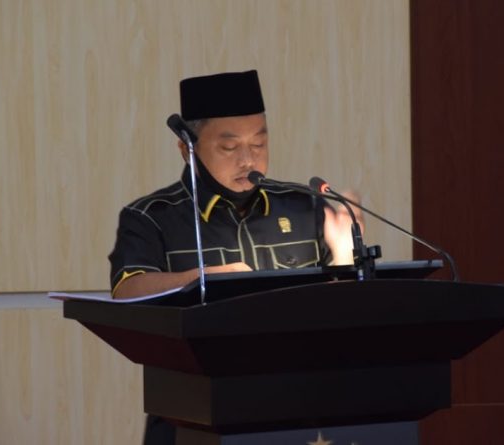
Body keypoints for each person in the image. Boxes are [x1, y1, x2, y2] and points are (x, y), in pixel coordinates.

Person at [107, 70, 360, 444]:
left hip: (299, 413)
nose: (248, 160)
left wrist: (344, 255)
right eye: (230, 147)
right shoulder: (152, 217)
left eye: (259, 143)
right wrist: (205, 278)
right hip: (192, 416)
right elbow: (128, 291)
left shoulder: (305, 207)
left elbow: (340, 312)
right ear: (187, 150)